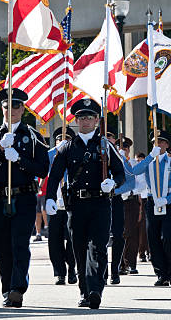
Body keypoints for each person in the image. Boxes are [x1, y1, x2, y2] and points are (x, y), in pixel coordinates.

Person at [45, 98, 125, 310]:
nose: (85, 121)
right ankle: (84, 291)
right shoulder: (67, 147)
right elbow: (54, 176)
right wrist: (50, 198)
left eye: (89, 117)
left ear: (97, 120)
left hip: (100, 203)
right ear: (76, 121)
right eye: (81, 118)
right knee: (79, 250)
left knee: (97, 248)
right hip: (76, 205)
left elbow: (121, 173)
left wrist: (113, 182)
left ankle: (95, 290)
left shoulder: (105, 146)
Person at [0, 88, 50, 308]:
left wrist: (19, 159)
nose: (12, 111)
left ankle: (18, 288)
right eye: (7, 106)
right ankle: (7, 288)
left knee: (19, 244)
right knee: (2, 246)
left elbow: (42, 169)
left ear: (23, 108)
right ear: (2, 108)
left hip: (24, 196)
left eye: (16, 106)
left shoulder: (34, 136)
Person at [131, 130, 171, 286]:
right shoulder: (149, 162)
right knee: (153, 239)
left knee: (168, 237)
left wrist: (167, 199)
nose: (158, 145)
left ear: (167, 145)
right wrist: (149, 157)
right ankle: (160, 274)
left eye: (161, 142)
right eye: (155, 142)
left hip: (167, 202)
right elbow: (135, 171)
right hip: (152, 202)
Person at [47, 127, 77, 285]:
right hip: (55, 205)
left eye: (66, 139)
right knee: (54, 241)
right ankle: (59, 272)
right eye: (60, 139)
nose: (62, 142)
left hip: (71, 205)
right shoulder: (51, 155)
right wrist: (55, 150)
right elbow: (43, 164)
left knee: (72, 241)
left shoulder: (74, 154)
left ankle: (72, 270)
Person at [107, 132, 136, 284]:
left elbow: (131, 183)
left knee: (118, 236)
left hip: (116, 200)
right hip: (98, 200)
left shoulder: (121, 160)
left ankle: (115, 270)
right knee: (100, 238)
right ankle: (102, 271)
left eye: (111, 140)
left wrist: (114, 190)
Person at [117, 137, 142, 275]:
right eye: (121, 148)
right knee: (120, 233)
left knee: (132, 233)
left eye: (125, 148)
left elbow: (139, 184)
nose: (123, 150)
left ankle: (131, 263)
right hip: (119, 200)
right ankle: (120, 263)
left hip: (132, 200)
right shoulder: (114, 162)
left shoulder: (133, 164)